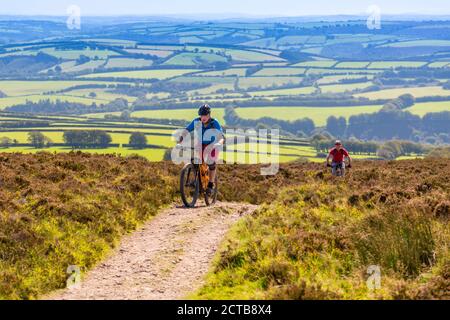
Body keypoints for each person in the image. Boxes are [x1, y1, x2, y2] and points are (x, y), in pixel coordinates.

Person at [180, 104, 225, 195]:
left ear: (209, 115)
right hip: (201, 144)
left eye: (205, 115)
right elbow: (187, 130)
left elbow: (221, 137)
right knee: (196, 161)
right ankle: (197, 180)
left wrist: (219, 143)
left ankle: (211, 184)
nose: (203, 117)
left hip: (212, 145)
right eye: (201, 115)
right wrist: (180, 139)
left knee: (210, 162)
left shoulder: (214, 123)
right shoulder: (196, 121)